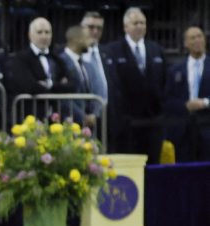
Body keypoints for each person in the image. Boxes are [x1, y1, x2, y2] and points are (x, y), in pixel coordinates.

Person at [105, 7, 166, 164]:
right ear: (125, 27)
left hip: (153, 121)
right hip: (127, 123)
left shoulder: (156, 49)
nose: (139, 26)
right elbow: (114, 85)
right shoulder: (112, 50)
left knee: (153, 166)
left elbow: (164, 81)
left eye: (142, 23)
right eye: (135, 23)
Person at [163, 26, 210, 162]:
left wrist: (205, 102)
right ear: (185, 43)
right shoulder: (174, 69)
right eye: (192, 38)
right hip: (182, 130)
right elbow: (167, 99)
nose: (197, 40)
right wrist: (185, 106)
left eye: (199, 36)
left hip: (207, 126)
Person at [6, 18, 75, 98]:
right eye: (39, 32)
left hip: (55, 105)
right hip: (33, 106)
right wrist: (58, 86)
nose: (44, 36)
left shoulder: (57, 59)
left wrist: (49, 85)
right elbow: (30, 86)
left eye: (47, 32)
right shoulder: (20, 58)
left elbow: (72, 85)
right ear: (30, 35)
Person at [59, 25, 99, 128]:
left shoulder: (86, 65)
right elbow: (62, 96)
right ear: (77, 40)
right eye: (87, 38)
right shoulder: (60, 62)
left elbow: (90, 92)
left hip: (88, 125)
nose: (91, 42)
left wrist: (93, 114)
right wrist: (82, 117)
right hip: (69, 123)